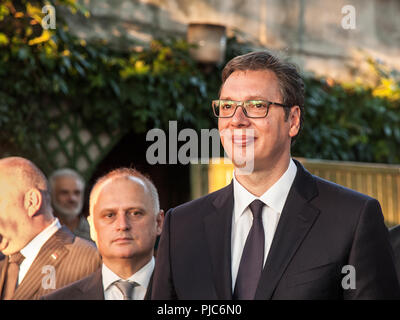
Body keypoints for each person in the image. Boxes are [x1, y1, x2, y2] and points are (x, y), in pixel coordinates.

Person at [151, 51, 400, 300]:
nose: (237, 120)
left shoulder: (353, 219)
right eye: (227, 106)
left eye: (256, 106)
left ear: (292, 120)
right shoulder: (181, 227)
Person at [42, 167, 164, 300]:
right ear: (92, 227)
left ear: (159, 222)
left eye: (135, 213)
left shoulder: (187, 290)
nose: (122, 225)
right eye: (109, 215)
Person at [0, 157, 101, 300]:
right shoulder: (6, 259)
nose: (71, 198)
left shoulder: (89, 261)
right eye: (64, 192)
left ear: (32, 202)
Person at [49, 168, 91, 241]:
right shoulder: (42, 231)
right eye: (64, 193)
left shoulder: (94, 232)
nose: (72, 198)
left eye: (77, 193)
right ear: (52, 194)